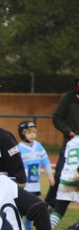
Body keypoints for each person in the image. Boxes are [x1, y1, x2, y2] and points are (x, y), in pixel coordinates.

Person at [46, 76, 79, 208]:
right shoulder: (68, 97)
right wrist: (70, 132)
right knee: (60, 174)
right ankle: (50, 203)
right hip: (70, 144)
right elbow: (57, 118)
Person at [16, 120, 53, 230]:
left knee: (31, 207)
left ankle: (28, 228)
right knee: (22, 208)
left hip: (35, 184)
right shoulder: (19, 148)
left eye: (34, 132)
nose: (32, 135)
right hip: (25, 184)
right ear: (22, 134)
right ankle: (19, 227)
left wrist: (50, 175)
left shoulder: (38, 146)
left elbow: (46, 161)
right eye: (29, 133)